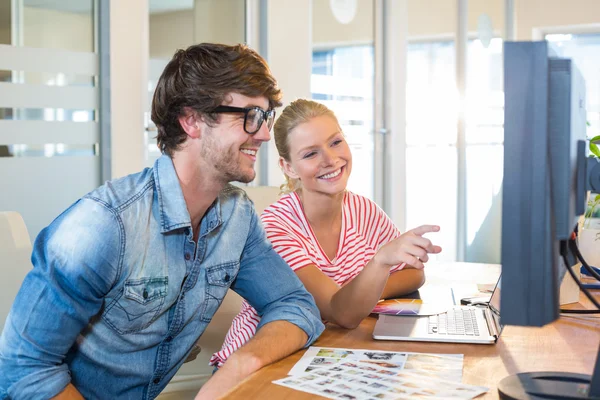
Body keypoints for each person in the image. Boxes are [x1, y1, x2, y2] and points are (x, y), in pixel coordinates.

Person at [0, 44, 324, 400]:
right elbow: (23, 368)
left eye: (266, 117)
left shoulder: (236, 217)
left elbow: (294, 304)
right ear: (192, 120)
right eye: (250, 116)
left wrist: (238, 365)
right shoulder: (104, 225)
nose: (264, 134)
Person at [211, 99, 442, 367]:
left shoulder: (363, 209)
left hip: (325, 355)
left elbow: (413, 274)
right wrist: (376, 266)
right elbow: (341, 312)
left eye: (335, 142)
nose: (331, 160)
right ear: (288, 167)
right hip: (258, 364)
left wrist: (359, 292)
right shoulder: (275, 227)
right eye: (310, 154)